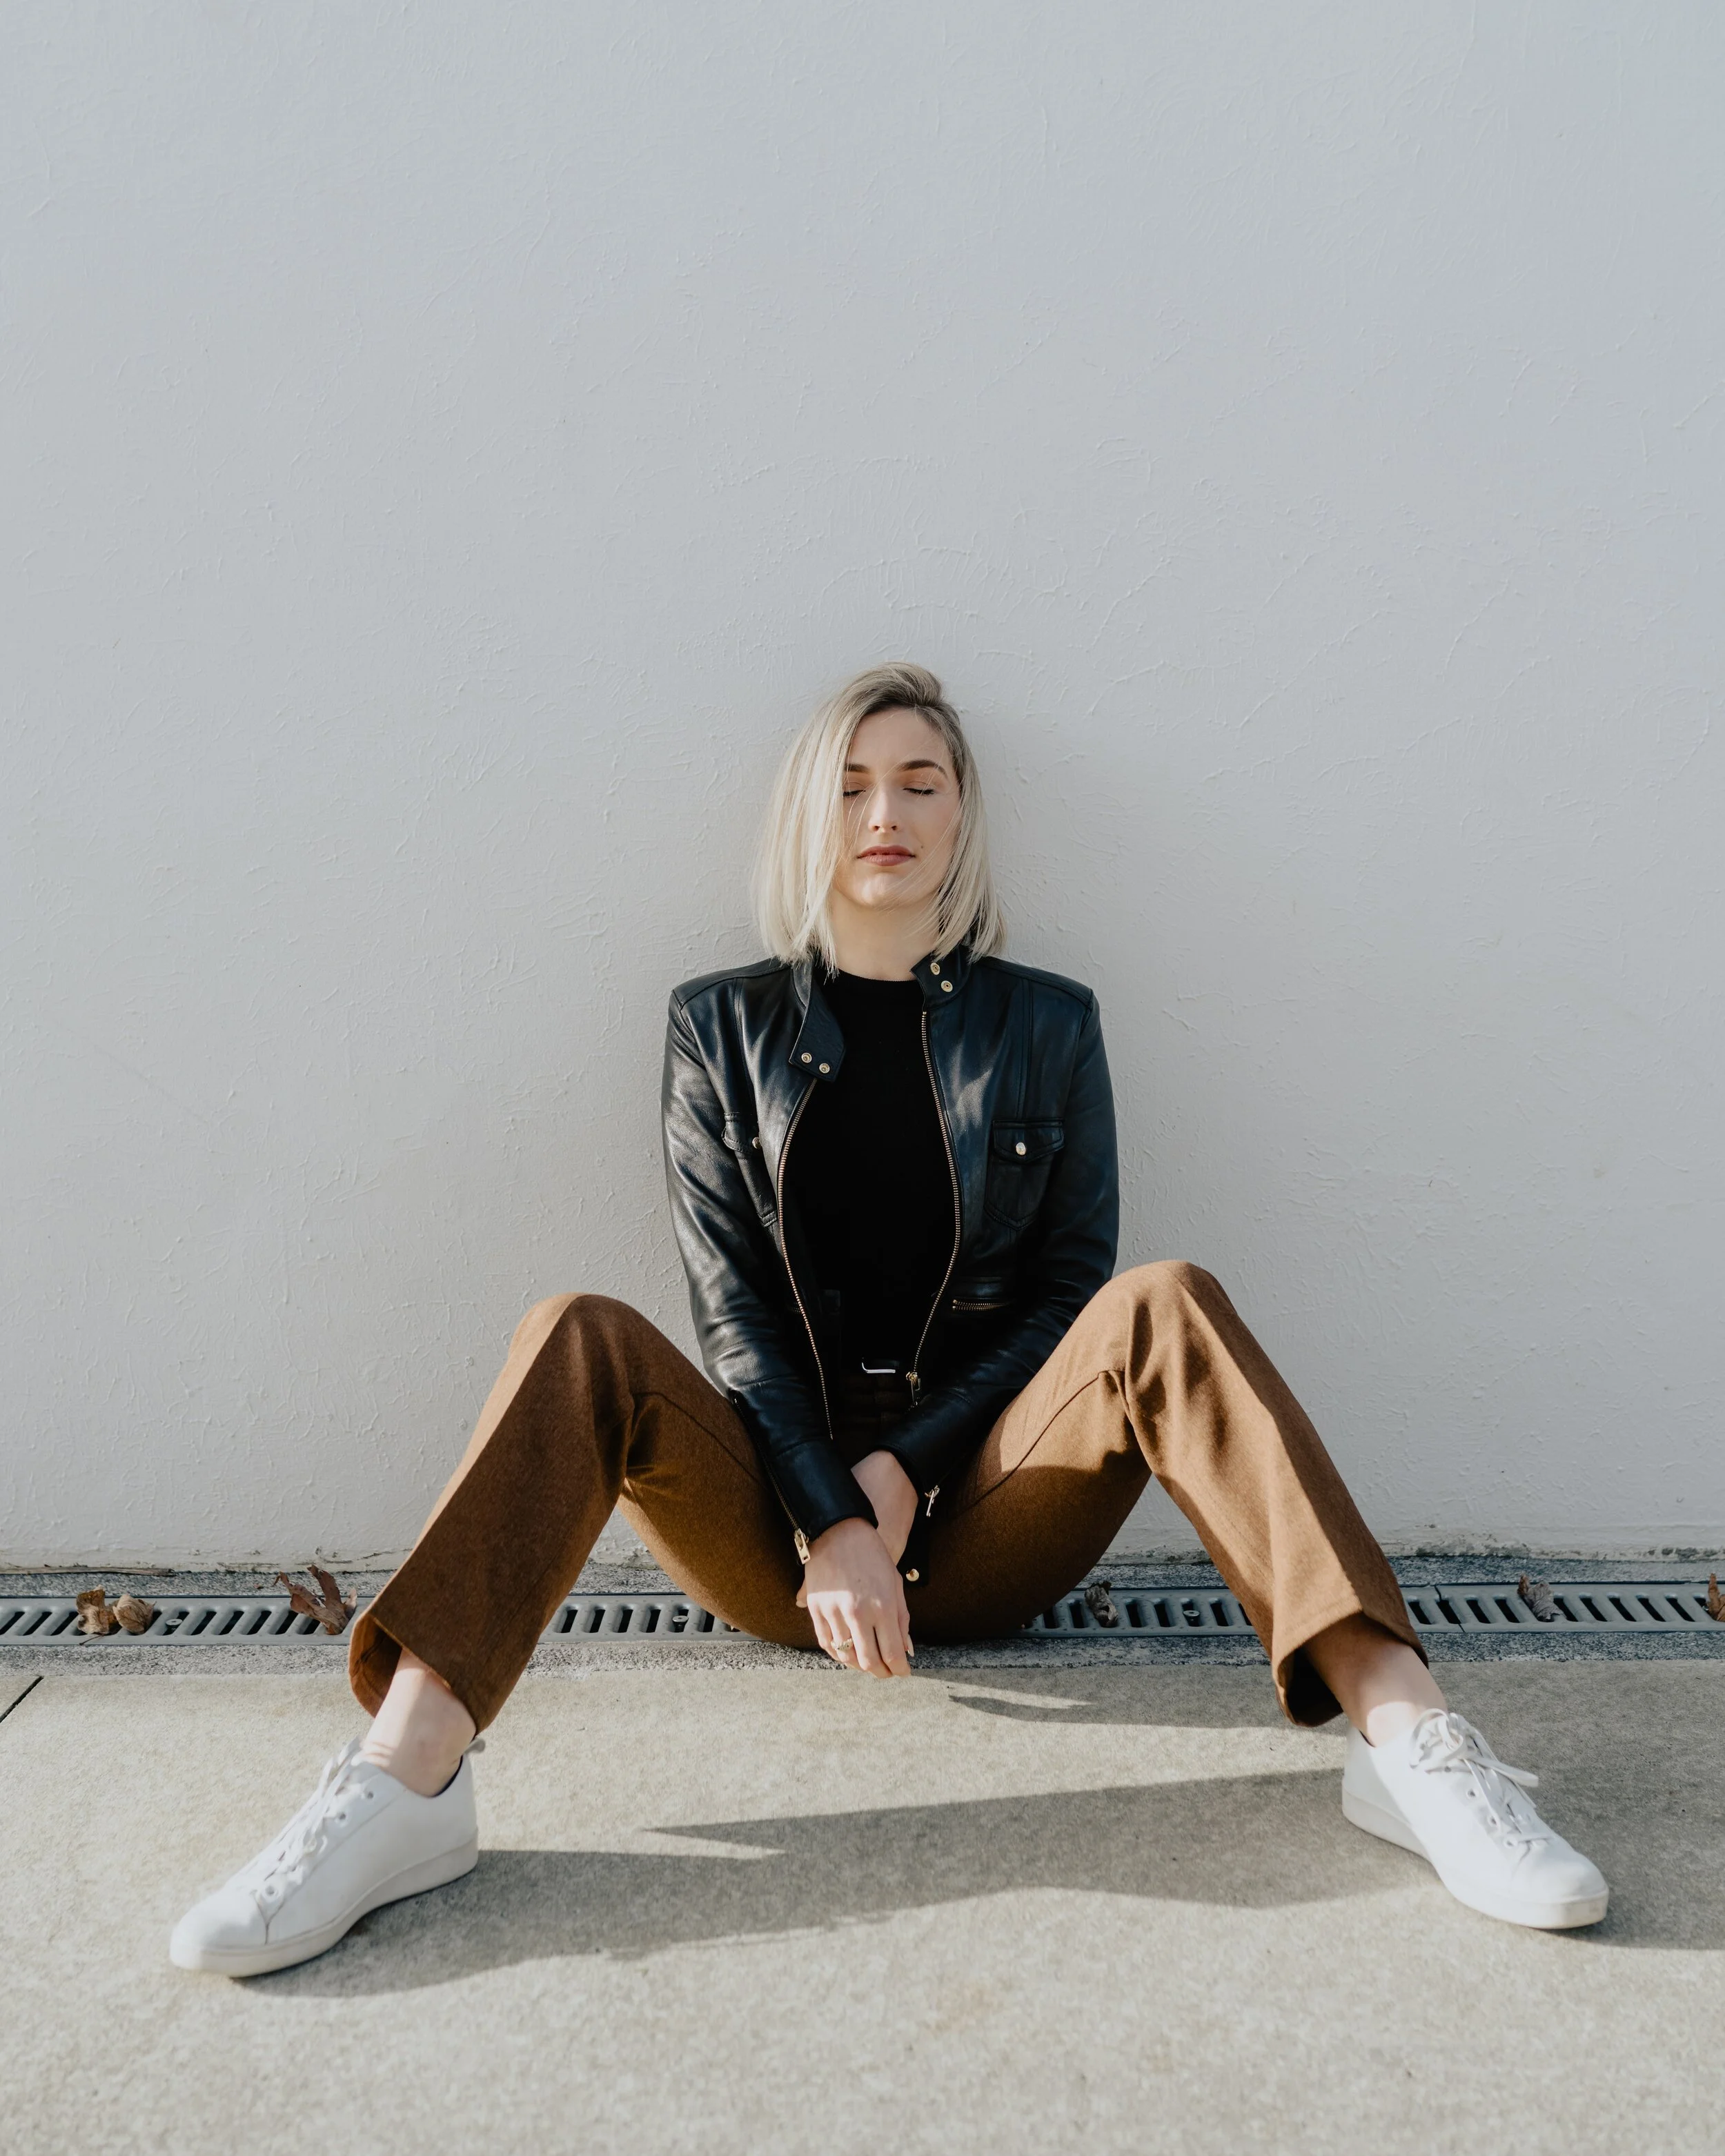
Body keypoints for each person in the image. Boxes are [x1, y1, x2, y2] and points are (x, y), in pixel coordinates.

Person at [170, 662, 1608, 1977]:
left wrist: (904, 1467)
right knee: (578, 1328)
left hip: (985, 1508)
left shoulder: (1047, 1023)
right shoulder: (716, 1025)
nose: (886, 811)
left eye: (920, 781)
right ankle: (403, 1784)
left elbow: (1066, 1293)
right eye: (854, 781)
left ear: (961, 815)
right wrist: (824, 1509)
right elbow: (728, 1310)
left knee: (1161, 1300)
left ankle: (1408, 1739)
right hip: (770, 1534)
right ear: (812, 810)